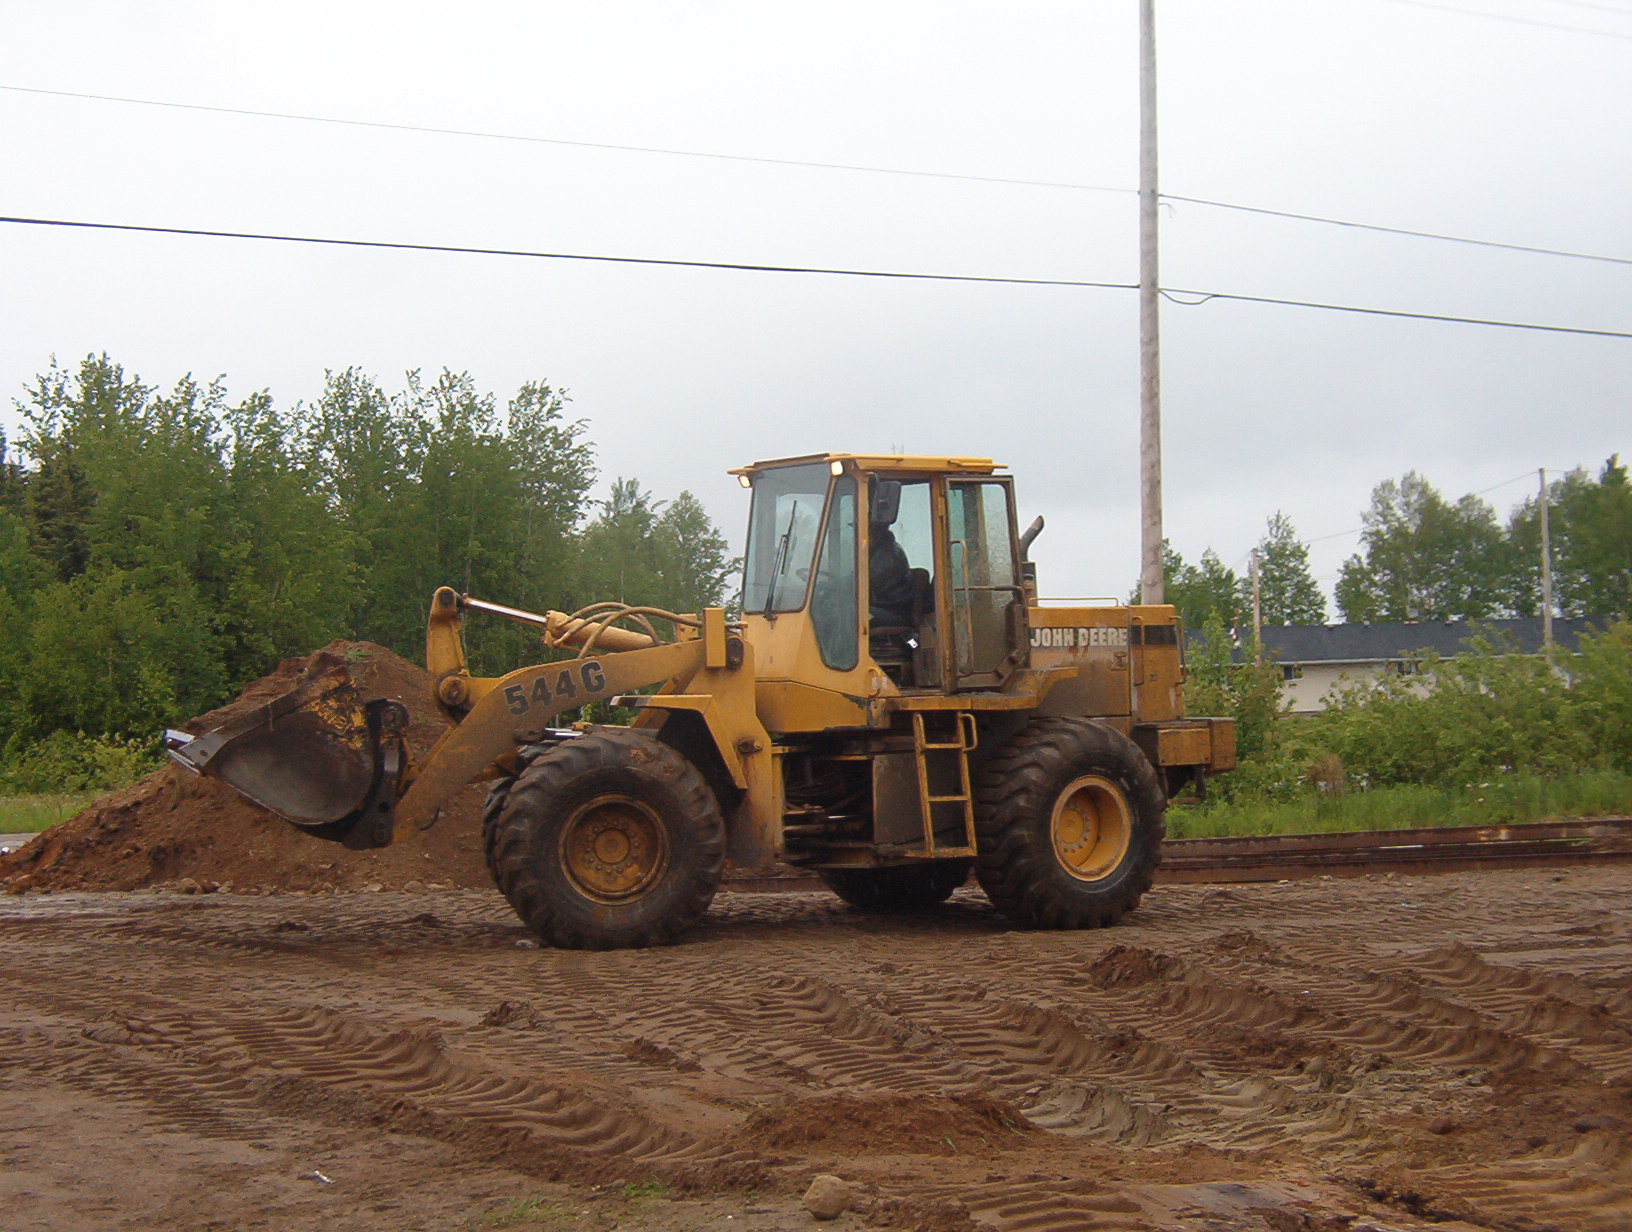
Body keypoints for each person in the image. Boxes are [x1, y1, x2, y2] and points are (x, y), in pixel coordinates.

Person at [869, 521, 915, 627]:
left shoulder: (888, 555)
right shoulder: (876, 553)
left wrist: (838, 585)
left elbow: (860, 582)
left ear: (876, 534)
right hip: (882, 608)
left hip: (894, 613)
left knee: (852, 612)